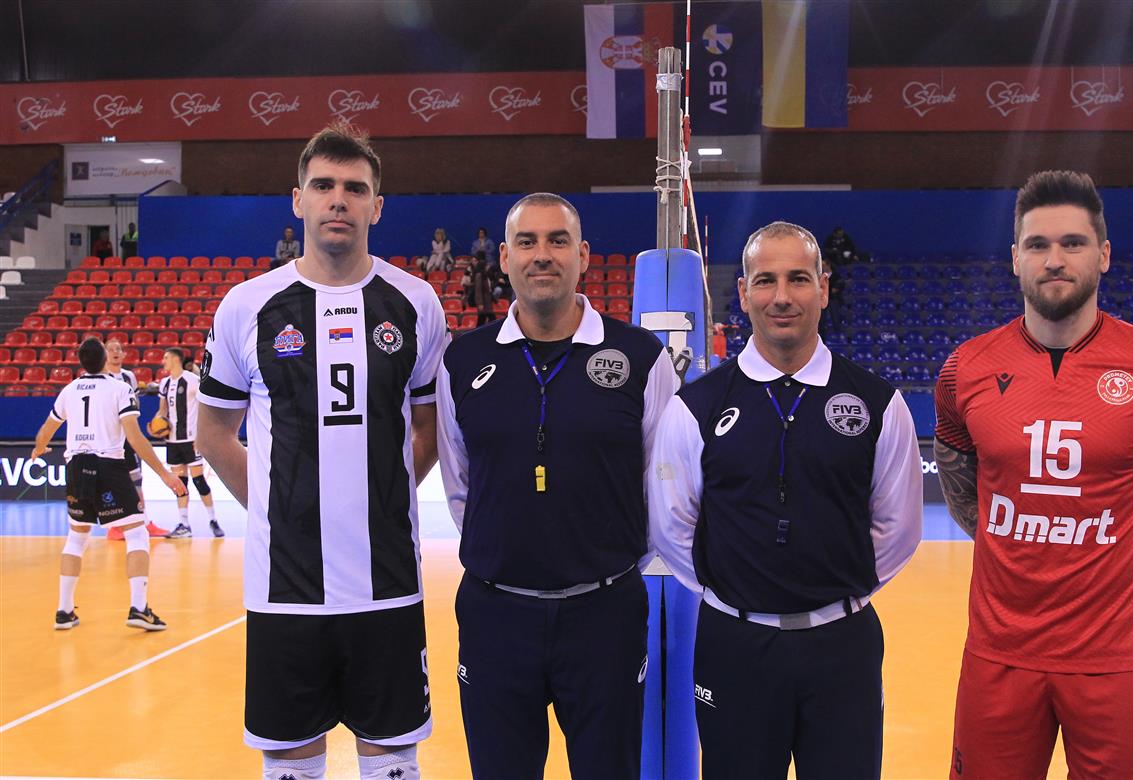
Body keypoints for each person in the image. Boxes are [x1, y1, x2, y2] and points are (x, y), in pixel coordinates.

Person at [933, 170, 1133, 780]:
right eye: (1037, 244)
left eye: (1073, 243)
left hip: (1118, 656)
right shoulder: (965, 368)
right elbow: (963, 489)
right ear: (1015, 258)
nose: (1055, 259)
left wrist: (1128, 576)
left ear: (1104, 254)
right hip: (1000, 652)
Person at [198, 123, 447, 780]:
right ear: (298, 199)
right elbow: (213, 433)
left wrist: (382, 498)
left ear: (377, 207)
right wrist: (275, 508)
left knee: (393, 763)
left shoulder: (417, 303)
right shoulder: (247, 306)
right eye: (324, 185)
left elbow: (429, 430)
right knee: (291, 768)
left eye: (355, 188)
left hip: (388, 587)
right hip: (284, 592)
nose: (339, 199)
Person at [648, 221, 922, 780]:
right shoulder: (696, 406)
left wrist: (829, 590)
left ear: (824, 287)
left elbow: (898, 528)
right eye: (765, 280)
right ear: (744, 292)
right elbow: (672, 526)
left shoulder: (877, 403)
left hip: (842, 646)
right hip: (735, 643)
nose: (781, 296)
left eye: (798, 278)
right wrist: (737, 590)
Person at [436, 192, 678, 780]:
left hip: (605, 615)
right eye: (527, 242)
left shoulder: (642, 358)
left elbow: (661, 483)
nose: (542, 255)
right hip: (495, 614)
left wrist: (606, 560)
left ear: (583, 255)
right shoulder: (462, 361)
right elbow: (460, 483)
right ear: (505, 258)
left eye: (557, 240)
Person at [30, 337, 186, 632]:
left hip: (76, 466)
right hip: (108, 466)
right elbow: (135, 438)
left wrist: (39, 449)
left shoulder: (69, 390)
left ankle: (64, 611)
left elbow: (45, 432)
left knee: (76, 537)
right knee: (137, 533)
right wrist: (165, 474)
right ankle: (139, 608)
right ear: (104, 360)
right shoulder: (119, 389)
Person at [104, 338, 169, 540]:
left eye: (118, 349)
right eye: (111, 349)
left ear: (124, 354)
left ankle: (145, 522)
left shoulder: (129, 377)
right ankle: (114, 526)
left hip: (127, 435)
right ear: (104, 354)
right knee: (110, 481)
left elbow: (134, 405)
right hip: (108, 437)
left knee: (136, 480)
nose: (115, 352)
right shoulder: (100, 376)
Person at [156, 348, 222, 539]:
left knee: (199, 480)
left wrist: (201, 436)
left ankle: (213, 520)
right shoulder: (164, 383)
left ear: (175, 359)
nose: (163, 361)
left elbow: (204, 408)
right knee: (180, 483)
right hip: (172, 440)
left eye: (166, 357)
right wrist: (156, 424)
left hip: (191, 439)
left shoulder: (192, 380)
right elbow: (162, 411)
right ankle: (184, 524)